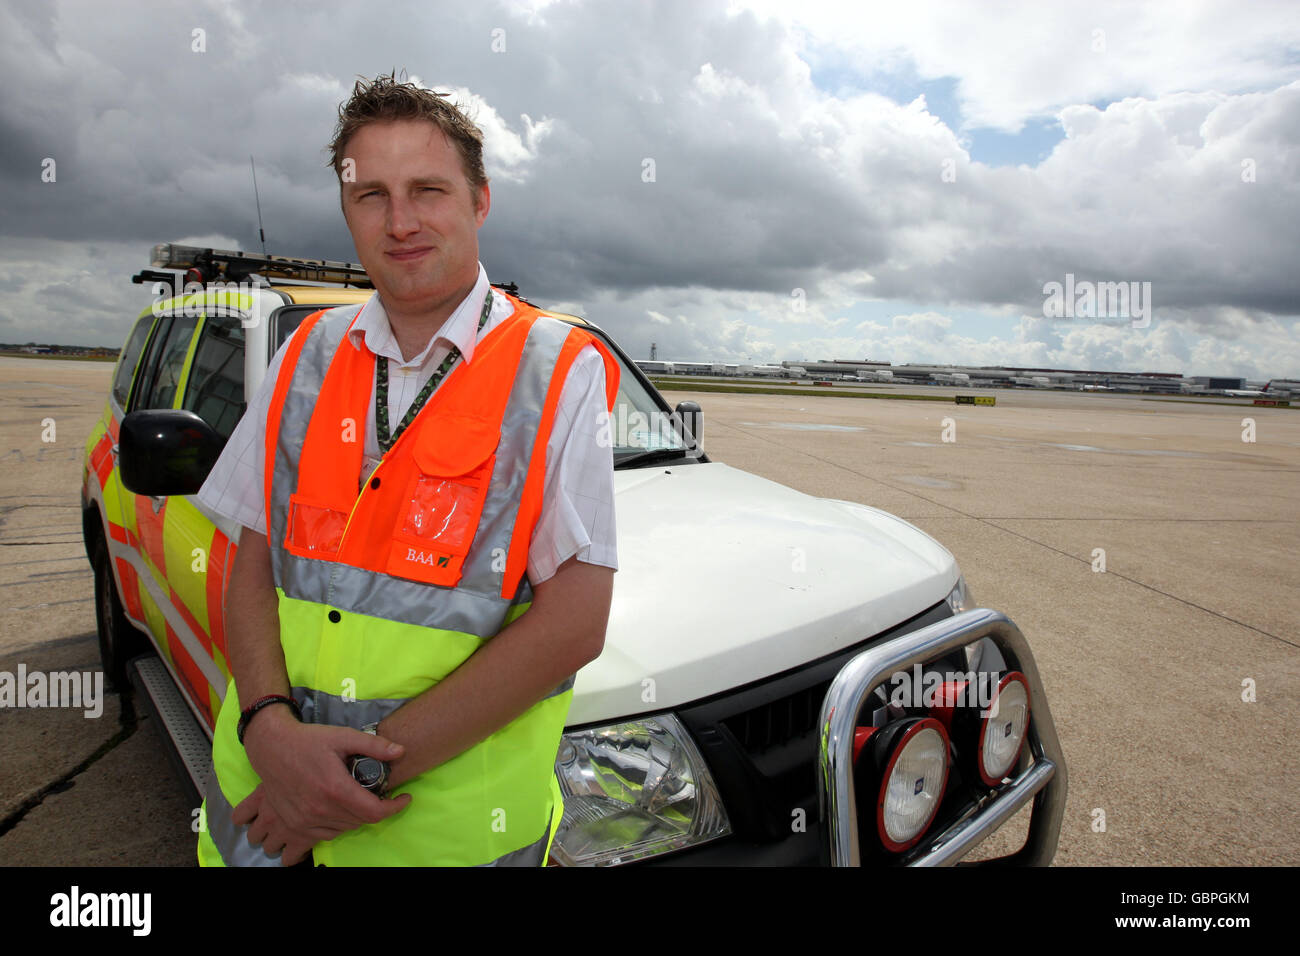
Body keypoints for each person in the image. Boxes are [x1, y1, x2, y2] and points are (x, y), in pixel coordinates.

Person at [194, 71, 621, 866]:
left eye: (428, 189)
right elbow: (252, 562)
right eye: (371, 195)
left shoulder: (557, 367)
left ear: (480, 199)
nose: (400, 221)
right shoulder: (304, 356)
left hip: (434, 838)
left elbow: (573, 625)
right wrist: (266, 725)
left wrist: (345, 777)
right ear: (346, 210)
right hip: (258, 811)